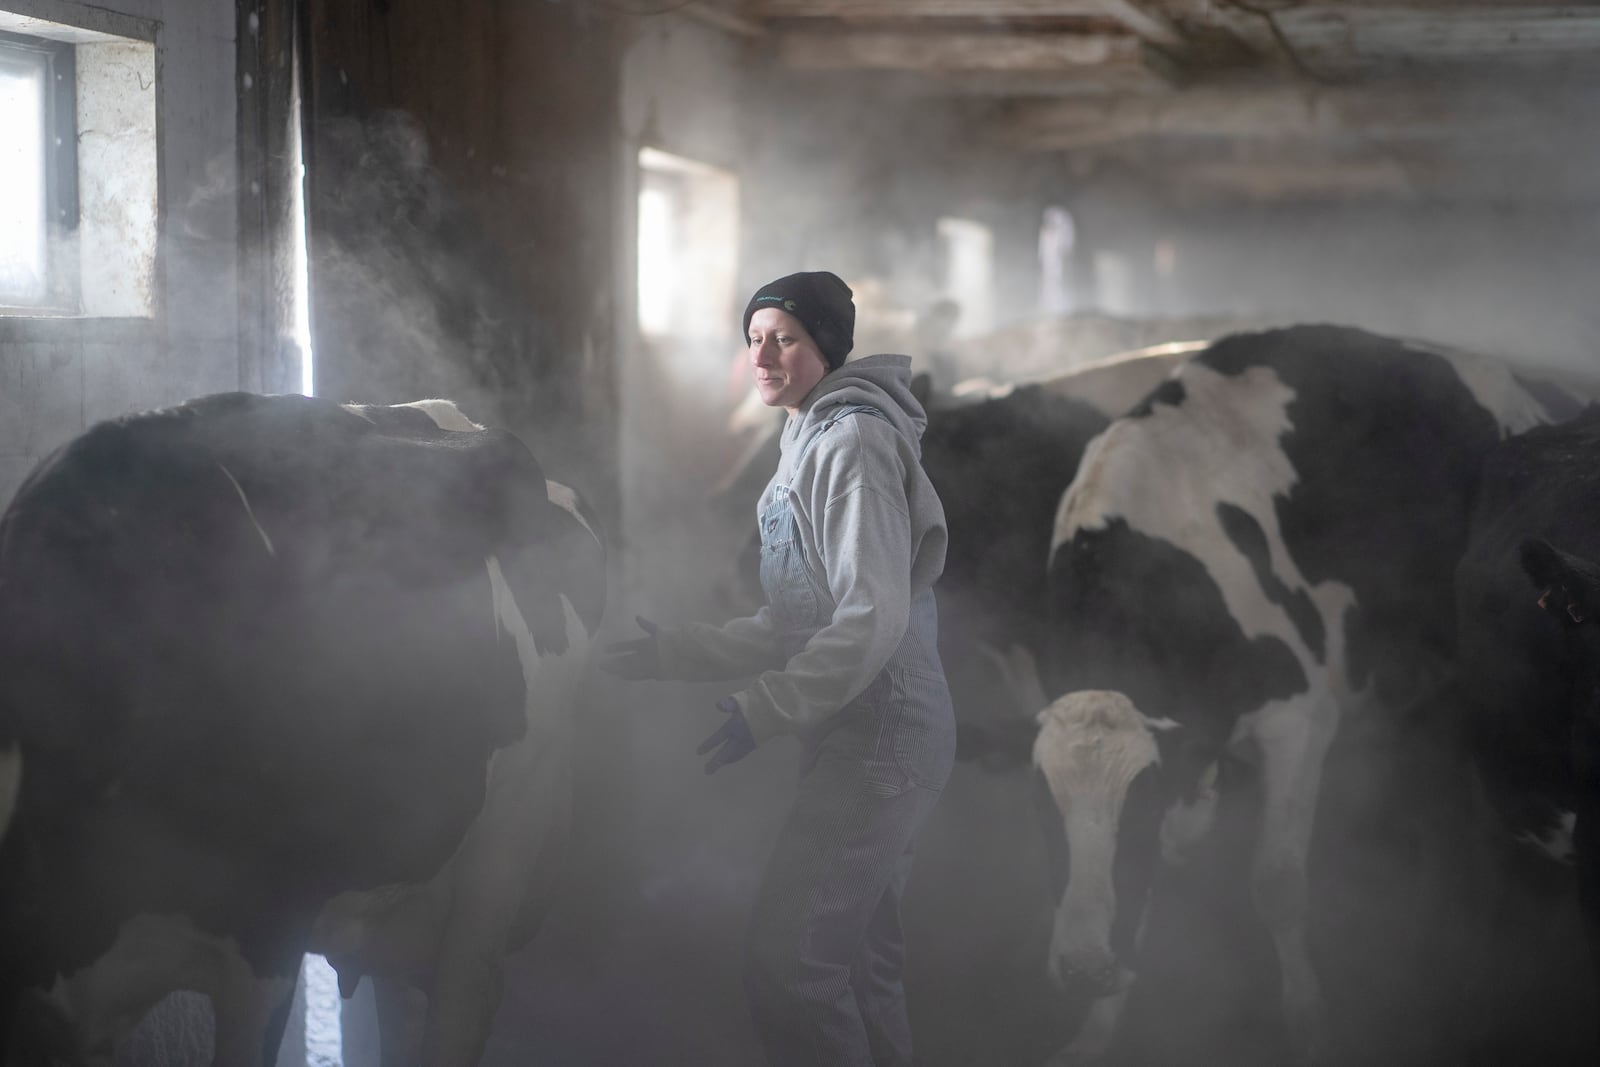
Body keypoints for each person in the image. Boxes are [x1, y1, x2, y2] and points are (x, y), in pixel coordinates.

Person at [601, 270, 955, 1067]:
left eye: (785, 338)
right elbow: (798, 616)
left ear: (825, 345)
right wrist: (680, 652)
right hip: (867, 726)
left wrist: (767, 707)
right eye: (754, 337)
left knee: (790, 962)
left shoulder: (851, 443)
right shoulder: (809, 433)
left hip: (883, 732)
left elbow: (871, 616)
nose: (762, 355)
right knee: (862, 962)